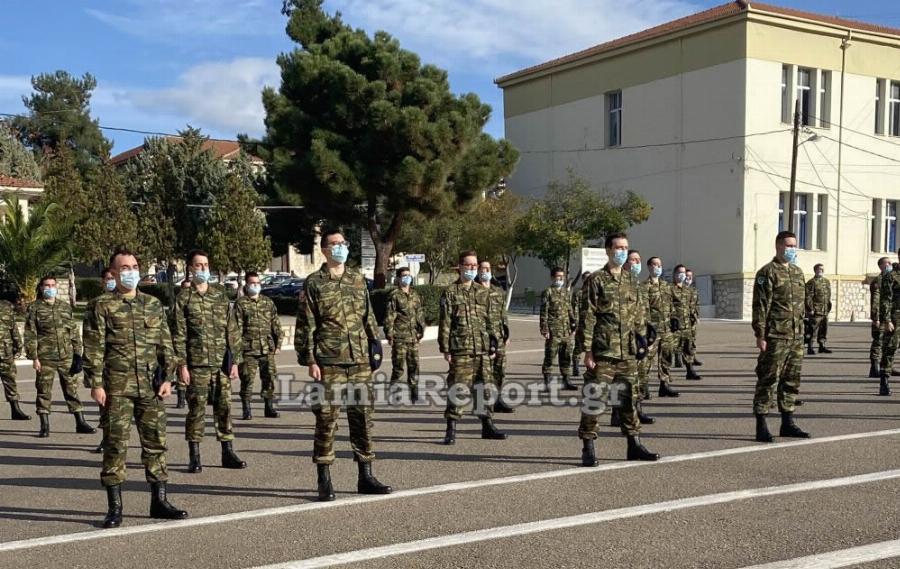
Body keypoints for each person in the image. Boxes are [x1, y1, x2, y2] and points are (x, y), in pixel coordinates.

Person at [83, 249, 188, 528]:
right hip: (116, 388)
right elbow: (93, 348)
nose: (130, 271)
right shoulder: (101, 305)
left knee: (156, 444)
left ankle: (159, 501)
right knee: (115, 446)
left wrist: (168, 378)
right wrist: (95, 383)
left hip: (151, 388)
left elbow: (166, 345)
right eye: (124, 267)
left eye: (134, 266)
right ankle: (115, 508)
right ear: (114, 273)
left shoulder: (153, 304)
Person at [295, 229, 391, 501]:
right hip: (329, 362)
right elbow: (306, 324)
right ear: (324, 250)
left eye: (343, 243)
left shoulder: (357, 279)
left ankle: (366, 475)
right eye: (334, 244)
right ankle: (324, 479)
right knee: (327, 420)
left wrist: (375, 345)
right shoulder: (314, 283)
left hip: (359, 360)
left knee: (362, 418)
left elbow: (367, 315)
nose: (340, 248)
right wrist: (310, 360)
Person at [577, 233, 659, 466]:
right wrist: (587, 350)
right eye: (618, 248)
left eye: (625, 248)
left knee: (628, 400)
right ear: (608, 250)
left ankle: (634, 444)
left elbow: (641, 315)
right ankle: (588, 446)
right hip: (603, 352)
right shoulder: (596, 280)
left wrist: (645, 340)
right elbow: (588, 316)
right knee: (595, 400)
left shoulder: (633, 281)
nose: (622, 252)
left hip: (628, 353)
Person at [173, 250, 246, 473]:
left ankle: (227, 451)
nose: (203, 269)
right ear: (190, 268)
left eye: (205, 265)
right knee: (196, 411)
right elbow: (178, 334)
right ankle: (194, 455)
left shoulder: (219, 296)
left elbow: (232, 330)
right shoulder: (183, 299)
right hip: (196, 365)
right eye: (198, 265)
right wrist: (181, 365)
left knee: (224, 408)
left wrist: (235, 361)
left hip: (220, 364)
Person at [439, 250, 507, 445]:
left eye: (475, 266)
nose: (472, 269)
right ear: (460, 267)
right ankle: (451, 428)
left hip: (483, 349)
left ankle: (487, 425)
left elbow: (490, 321)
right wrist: (445, 348)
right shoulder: (451, 292)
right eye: (468, 265)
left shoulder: (482, 291)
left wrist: (494, 342)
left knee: (484, 389)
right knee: (458, 389)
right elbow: (445, 322)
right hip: (461, 349)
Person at [751, 231, 811, 442]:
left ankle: (787, 422)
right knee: (768, 379)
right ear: (778, 246)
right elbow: (760, 306)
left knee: (791, 380)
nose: (792, 249)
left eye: (794, 245)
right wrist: (760, 334)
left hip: (796, 336)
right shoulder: (767, 272)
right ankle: (761, 424)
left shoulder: (797, 272)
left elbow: (803, 305)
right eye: (788, 245)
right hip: (775, 335)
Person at [25, 276, 95, 437]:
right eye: (46, 285)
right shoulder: (34, 308)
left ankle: (80, 422)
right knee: (44, 390)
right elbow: (30, 334)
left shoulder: (64, 307)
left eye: (52, 285)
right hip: (45, 357)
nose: (50, 288)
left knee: (72, 390)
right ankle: (44, 425)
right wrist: (34, 357)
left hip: (66, 356)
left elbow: (73, 331)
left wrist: (78, 353)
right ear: (41, 288)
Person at [234, 271, 284, 420]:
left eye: (258, 283)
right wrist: (237, 351)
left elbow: (276, 325)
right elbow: (236, 329)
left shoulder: (267, 302)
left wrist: (278, 344)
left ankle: (269, 407)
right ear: (246, 284)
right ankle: (246, 409)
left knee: (269, 378)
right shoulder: (241, 304)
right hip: (248, 349)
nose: (255, 285)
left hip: (267, 348)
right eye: (252, 283)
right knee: (247, 380)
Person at [86, 268, 117, 453]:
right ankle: (106, 439)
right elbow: (90, 338)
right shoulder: (94, 305)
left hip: (127, 366)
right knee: (105, 406)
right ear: (102, 282)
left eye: (114, 278)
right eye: (108, 279)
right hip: (105, 365)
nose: (111, 281)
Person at [622, 250, 654, 425]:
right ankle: (617, 414)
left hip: (640, 340)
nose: (636, 263)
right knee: (623, 380)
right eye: (633, 260)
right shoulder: (619, 284)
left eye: (638, 260)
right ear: (625, 263)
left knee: (639, 377)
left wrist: (649, 334)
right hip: (623, 341)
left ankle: (637, 410)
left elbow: (644, 313)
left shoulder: (640, 286)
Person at [384, 267, 425, 402]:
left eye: (408, 275)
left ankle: (414, 392)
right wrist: (389, 335)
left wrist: (421, 331)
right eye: (404, 275)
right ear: (398, 278)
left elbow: (419, 314)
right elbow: (390, 316)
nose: (407, 278)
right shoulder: (395, 295)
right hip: (399, 336)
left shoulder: (415, 295)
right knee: (399, 367)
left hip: (413, 337)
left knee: (414, 365)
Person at [477, 260, 513, 413]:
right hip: (481, 338)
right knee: (483, 373)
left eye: (488, 268)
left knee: (499, 370)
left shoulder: (497, 291)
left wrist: (506, 334)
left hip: (498, 338)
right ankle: (481, 404)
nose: (486, 271)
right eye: (483, 268)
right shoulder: (474, 291)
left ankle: (497, 400)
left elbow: (503, 315)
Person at [540, 267, 577, 391]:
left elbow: (570, 310)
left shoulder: (566, 293)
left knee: (566, 356)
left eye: (562, 277)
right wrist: (544, 329)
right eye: (557, 276)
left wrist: (574, 324)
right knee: (550, 355)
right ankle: (547, 382)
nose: (560, 279)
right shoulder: (548, 292)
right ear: (552, 277)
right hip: (553, 330)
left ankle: (566, 380)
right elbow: (543, 312)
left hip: (566, 330)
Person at [671, 266, 701, 380]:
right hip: (674, 325)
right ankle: (665, 376)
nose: (682, 275)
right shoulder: (669, 289)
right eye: (679, 272)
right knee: (670, 350)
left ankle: (690, 371)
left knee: (687, 348)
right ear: (674, 274)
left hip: (687, 324)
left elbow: (691, 307)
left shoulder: (687, 290)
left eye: (683, 272)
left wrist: (694, 317)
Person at [0, 294, 27, 421]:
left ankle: (15, 409)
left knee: (10, 381)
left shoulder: (5, 307)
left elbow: (13, 328)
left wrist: (18, 346)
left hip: (5, 352)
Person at [170, 278, 193, 409]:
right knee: (181, 370)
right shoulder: (176, 306)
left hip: (194, 344)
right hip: (179, 342)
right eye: (184, 288)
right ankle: (181, 398)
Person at [870, 258, 891, 378]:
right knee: (878, 342)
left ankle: (887, 367)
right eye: (886, 263)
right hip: (881, 317)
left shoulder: (891, 279)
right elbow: (875, 301)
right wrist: (876, 318)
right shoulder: (878, 280)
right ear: (880, 266)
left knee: (889, 344)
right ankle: (875, 367)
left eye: (890, 263)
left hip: (890, 316)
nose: (889, 265)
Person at [805, 264, 833, 355]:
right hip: (816, 311)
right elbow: (808, 297)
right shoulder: (811, 282)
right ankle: (810, 347)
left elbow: (828, 296)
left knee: (823, 329)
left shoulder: (826, 282)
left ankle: (822, 346)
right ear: (815, 270)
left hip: (824, 310)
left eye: (822, 269)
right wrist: (810, 309)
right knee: (813, 330)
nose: (821, 270)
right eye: (819, 269)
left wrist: (828, 307)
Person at [570, 272, 591, 378]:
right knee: (578, 347)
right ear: (583, 280)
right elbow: (574, 309)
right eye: (586, 278)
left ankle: (590, 368)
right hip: (581, 324)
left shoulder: (595, 293)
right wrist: (576, 325)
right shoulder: (579, 293)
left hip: (593, 325)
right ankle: (576, 367)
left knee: (592, 347)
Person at [685, 269, 703, 367]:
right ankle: (680, 359)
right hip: (683, 319)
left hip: (692, 319)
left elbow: (697, 305)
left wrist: (697, 316)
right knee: (682, 341)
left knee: (692, 339)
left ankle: (693, 357)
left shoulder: (693, 290)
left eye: (691, 276)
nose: (689, 278)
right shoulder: (679, 290)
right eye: (687, 275)